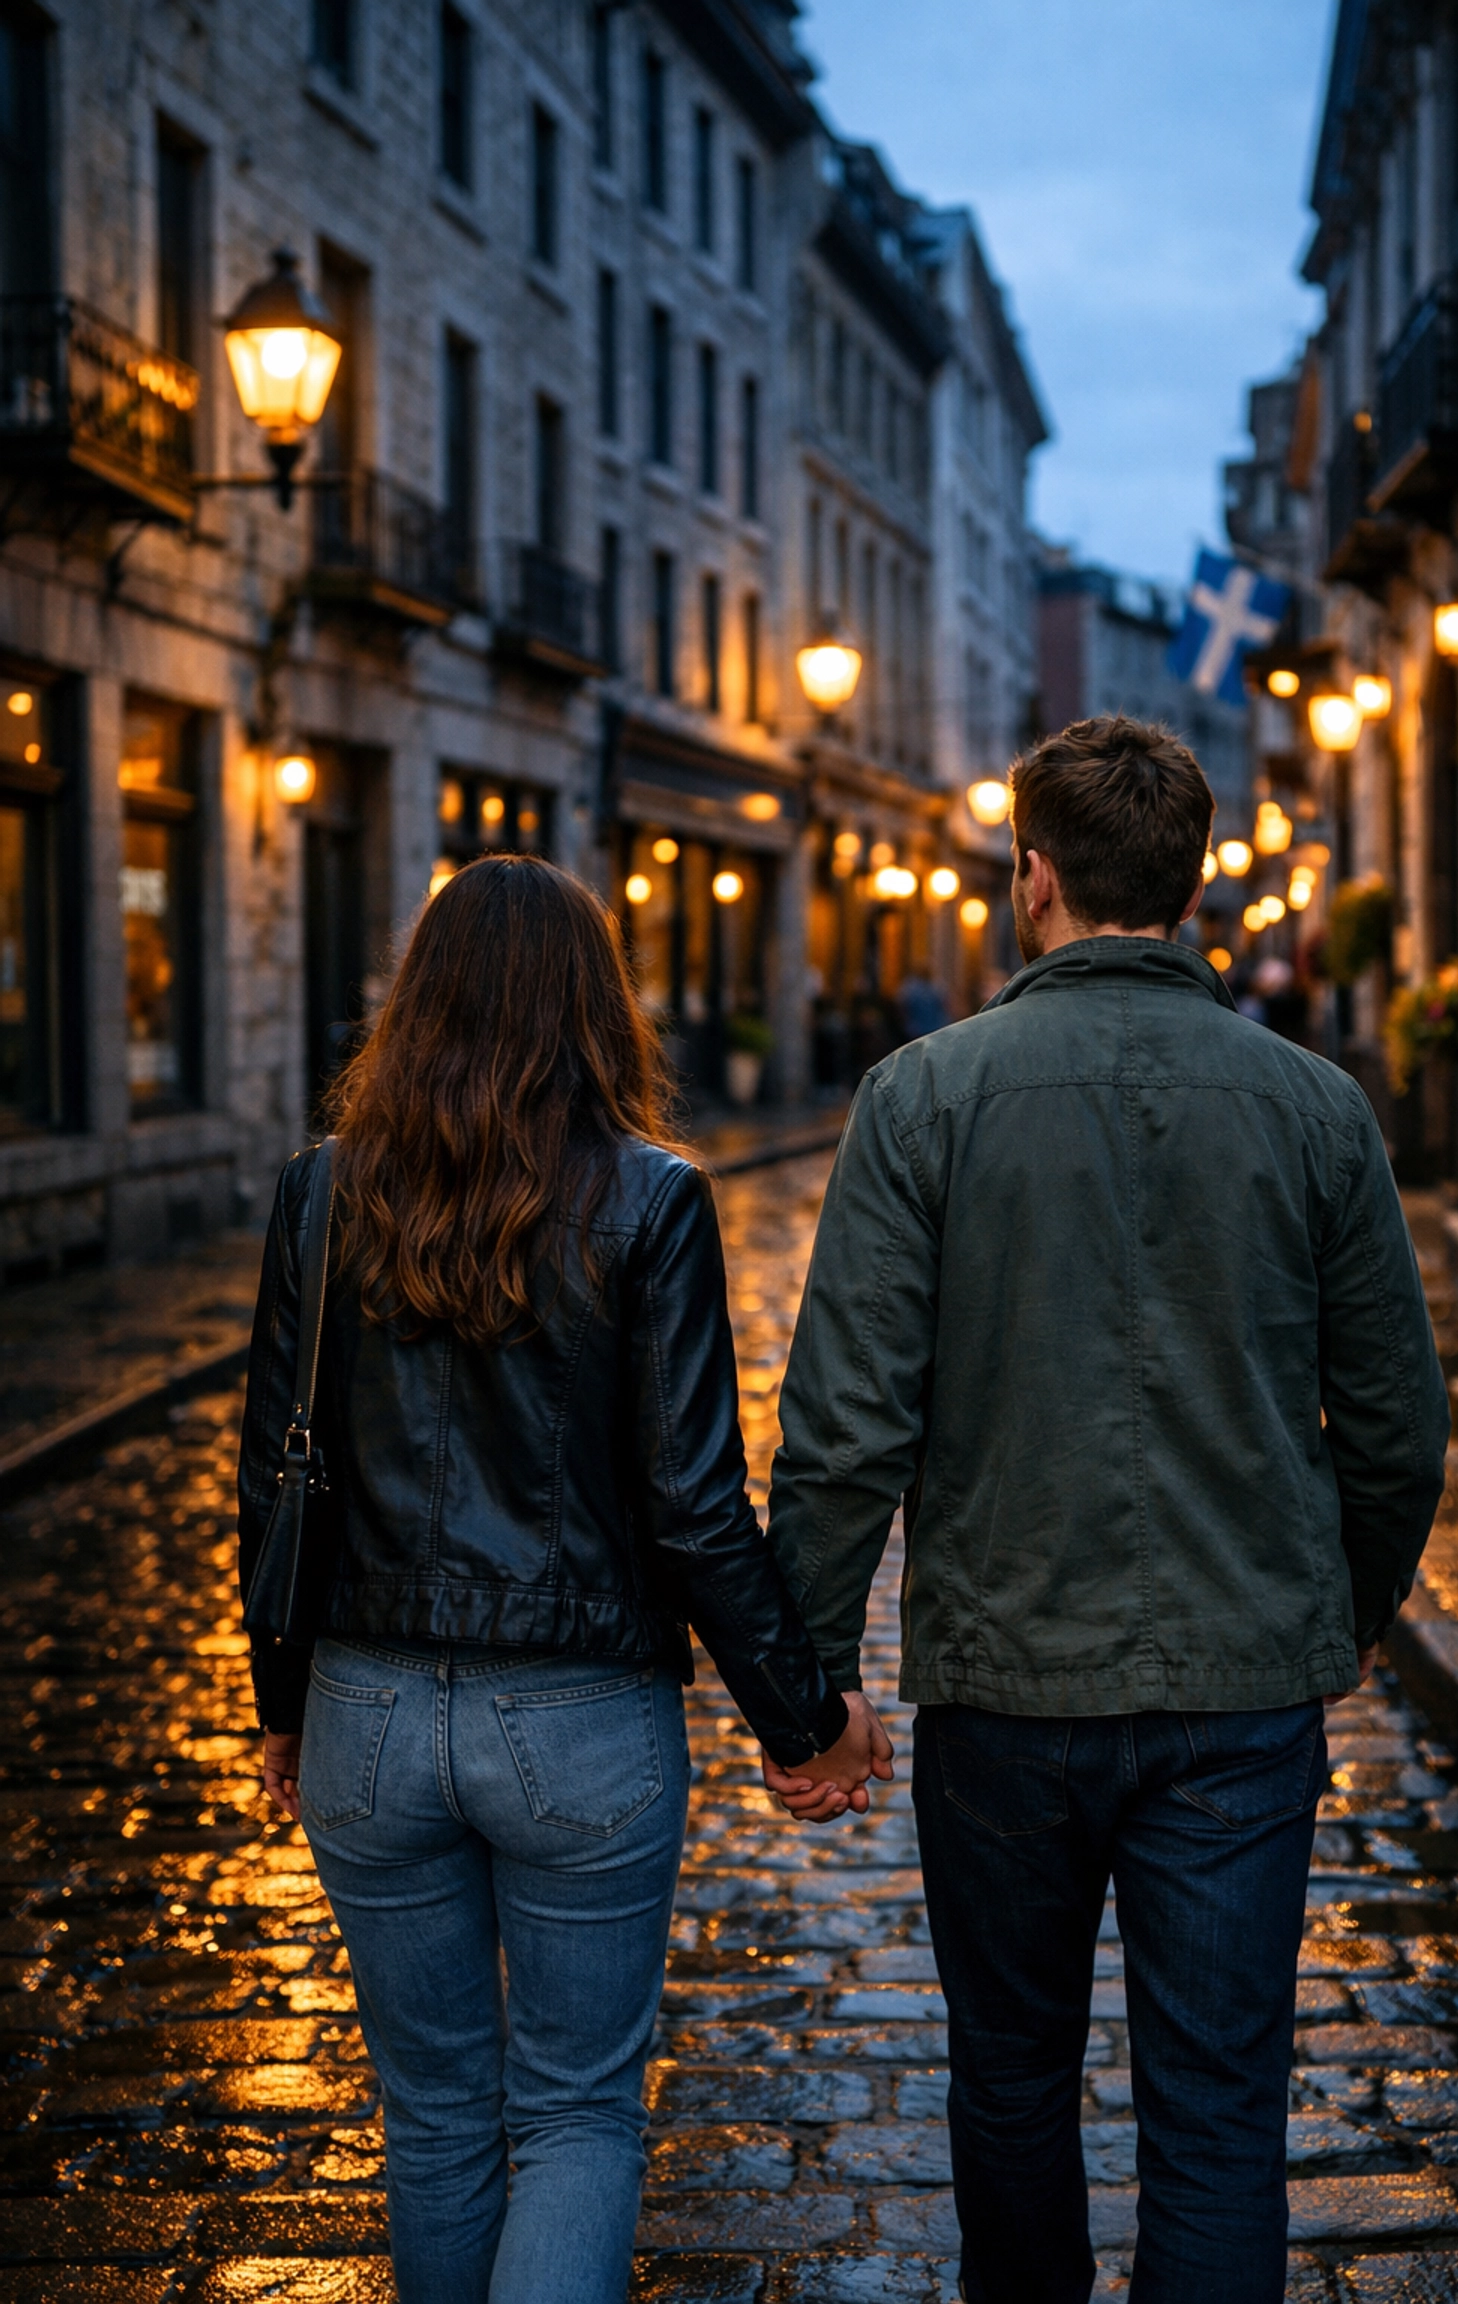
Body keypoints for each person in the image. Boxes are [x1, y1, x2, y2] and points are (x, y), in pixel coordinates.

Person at [762, 716, 1448, 2304]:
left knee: (1009, 2082)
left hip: (1008, 1685)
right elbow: (1399, 1431)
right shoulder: (1316, 1107)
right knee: (1220, 2114)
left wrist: (805, 1694)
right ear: (1193, 888)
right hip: (1241, 1687)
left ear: (1035, 876)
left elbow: (844, 1429)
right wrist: (1330, 1620)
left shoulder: (922, 1098)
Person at [236, 856, 882, 2304]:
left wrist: (287, 1704)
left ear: (417, 1002)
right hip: (581, 1719)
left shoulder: (322, 1193)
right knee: (580, 2111)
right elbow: (695, 1505)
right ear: (599, 1006)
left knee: (439, 2114)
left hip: (370, 1710)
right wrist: (806, 1722)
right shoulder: (649, 1198)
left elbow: (278, 1476)